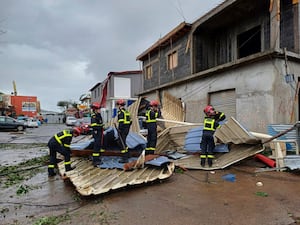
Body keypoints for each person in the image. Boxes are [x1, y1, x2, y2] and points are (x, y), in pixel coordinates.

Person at [116, 99, 132, 163]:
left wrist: (119, 130)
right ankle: (128, 154)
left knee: (121, 143)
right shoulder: (126, 112)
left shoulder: (121, 113)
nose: (117, 106)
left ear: (119, 105)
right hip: (126, 129)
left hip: (123, 129)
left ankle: (124, 158)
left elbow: (121, 122)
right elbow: (130, 121)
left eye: (118, 105)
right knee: (124, 142)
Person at [90, 102, 105, 166]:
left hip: (99, 133)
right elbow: (94, 126)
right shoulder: (94, 116)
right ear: (95, 110)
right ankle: (95, 161)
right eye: (98, 109)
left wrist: (102, 126)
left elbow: (100, 123)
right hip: (96, 133)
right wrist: (101, 126)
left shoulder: (98, 115)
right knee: (96, 147)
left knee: (99, 146)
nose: (100, 110)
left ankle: (98, 159)